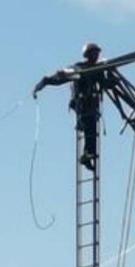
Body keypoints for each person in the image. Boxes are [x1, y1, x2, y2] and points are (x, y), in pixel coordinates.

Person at [33, 43, 106, 171]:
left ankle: (88, 154)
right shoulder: (80, 68)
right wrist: (44, 82)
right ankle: (87, 155)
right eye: (94, 53)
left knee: (91, 130)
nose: (96, 56)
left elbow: (106, 84)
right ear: (88, 55)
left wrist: (111, 74)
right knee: (89, 128)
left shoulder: (97, 70)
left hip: (91, 106)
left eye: (97, 53)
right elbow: (62, 77)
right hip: (83, 105)